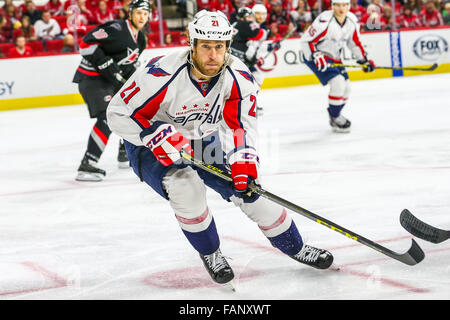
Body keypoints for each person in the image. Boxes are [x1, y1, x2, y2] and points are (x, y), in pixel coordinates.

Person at [106, 10, 334, 287]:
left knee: (253, 193)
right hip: (149, 145)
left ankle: (297, 248)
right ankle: (211, 253)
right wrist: (152, 134)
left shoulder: (238, 77)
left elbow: (240, 126)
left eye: (219, 47)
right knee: (187, 189)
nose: (213, 54)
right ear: (192, 45)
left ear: (227, 46)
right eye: (205, 46)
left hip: (202, 138)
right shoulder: (161, 72)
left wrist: (243, 164)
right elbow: (117, 112)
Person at [72, 0, 150, 182]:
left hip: (109, 81)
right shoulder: (116, 28)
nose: (142, 17)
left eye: (145, 14)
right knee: (106, 118)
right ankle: (87, 164)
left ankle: (125, 153)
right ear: (130, 13)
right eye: (138, 13)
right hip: (92, 79)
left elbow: (128, 65)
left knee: (130, 111)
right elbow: (85, 44)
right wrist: (104, 63)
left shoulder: (141, 39)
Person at [300, 0, 376, 133]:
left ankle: (334, 114)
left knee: (347, 88)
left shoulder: (351, 20)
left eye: (344, 5)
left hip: (334, 57)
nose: (341, 8)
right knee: (338, 83)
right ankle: (335, 117)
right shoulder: (324, 20)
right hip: (316, 56)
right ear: (333, 6)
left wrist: (364, 60)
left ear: (348, 6)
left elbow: (354, 42)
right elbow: (306, 41)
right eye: (338, 5)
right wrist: (315, 55)